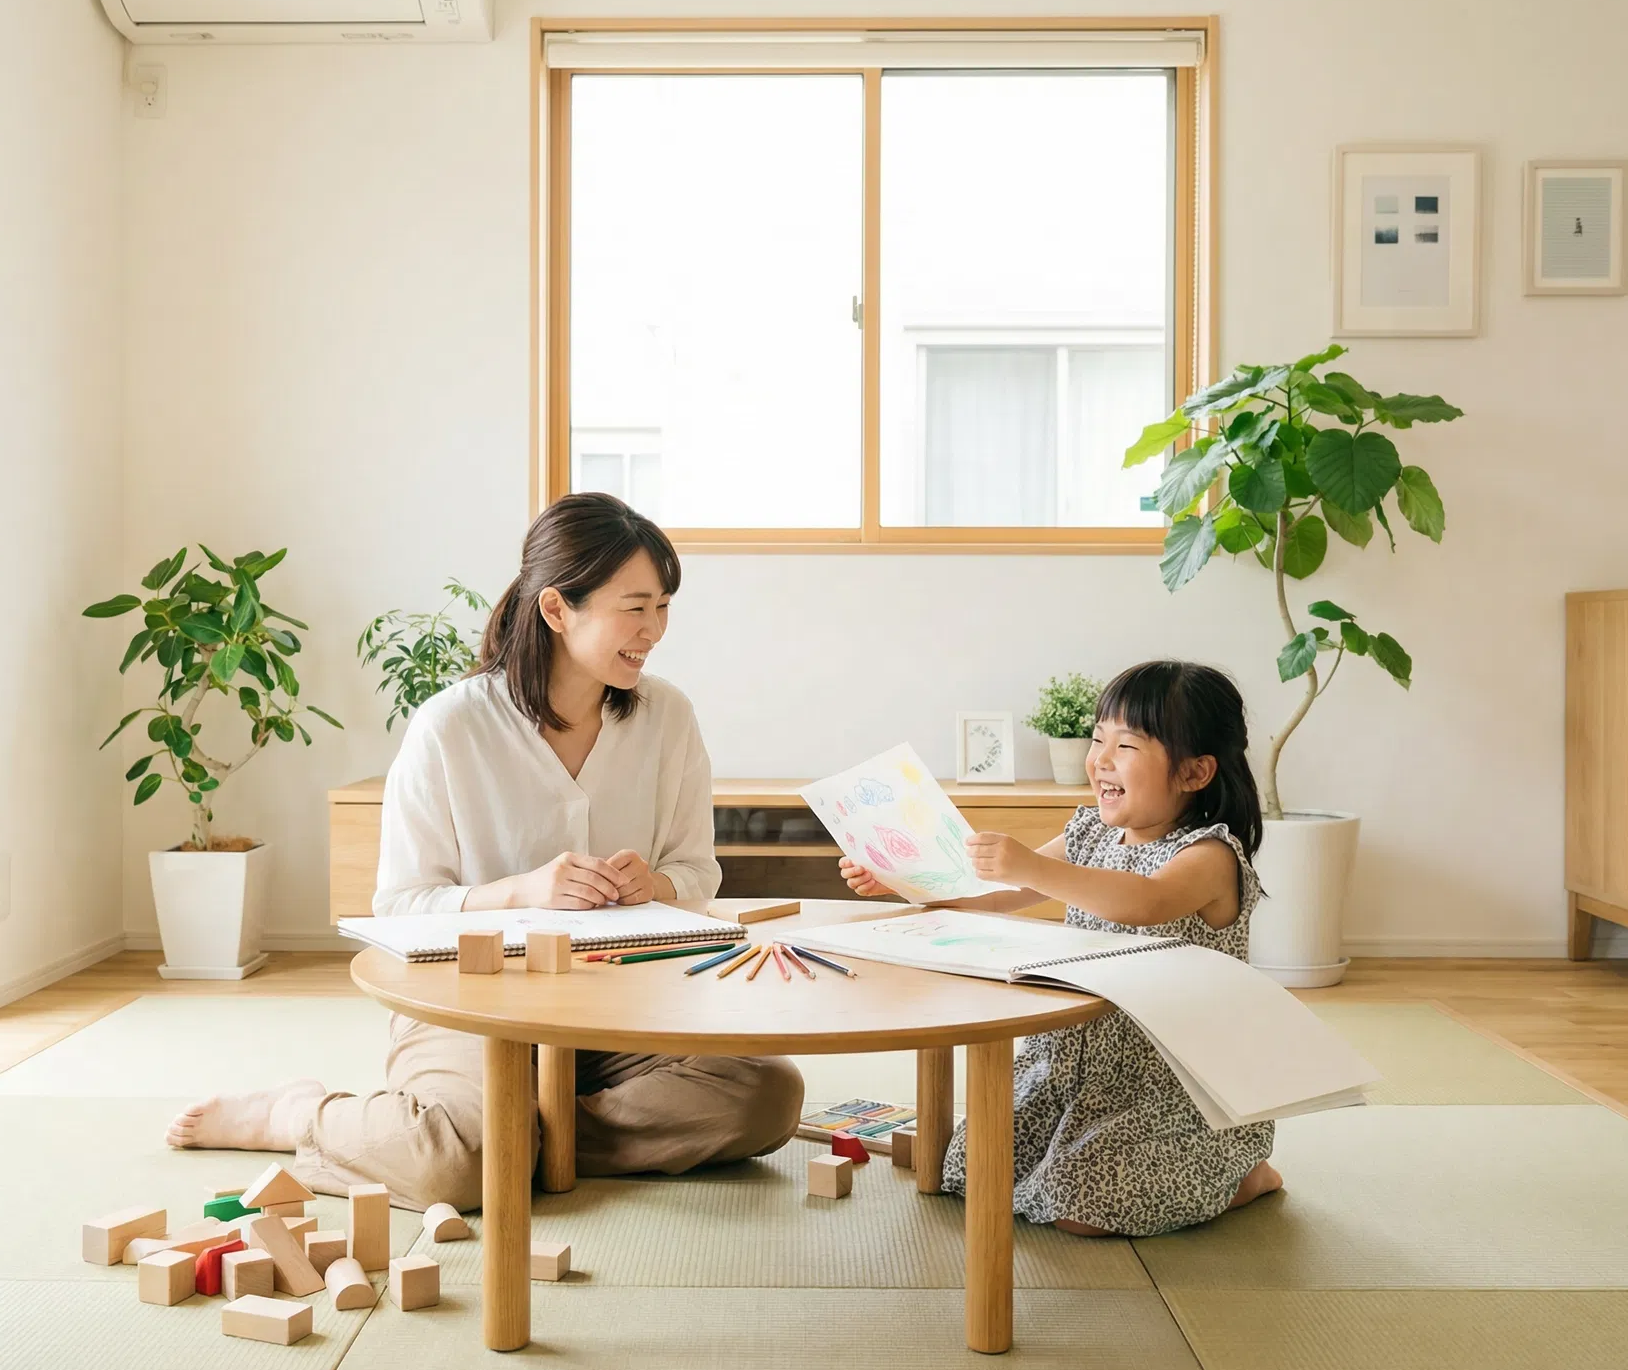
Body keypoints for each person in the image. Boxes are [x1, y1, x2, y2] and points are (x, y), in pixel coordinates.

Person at [165, 493, 803, 1209]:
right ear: (558, 610)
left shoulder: (668, 716)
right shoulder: (450, 727)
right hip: (473, 1006)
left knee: (767, 1095)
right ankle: (301, 1116)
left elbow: (697, 874)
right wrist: (521, 892)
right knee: (453, 1167)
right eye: (635, 607)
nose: (652, 630)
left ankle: (519, 1137)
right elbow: (400, 908)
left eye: (663, 607)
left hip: (625, 1003)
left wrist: (652, 884)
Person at [841, 659, 1282, 1237]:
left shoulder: (1210, 856)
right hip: (1069, 1068)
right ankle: (1074, 1158)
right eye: (1099, 739)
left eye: (1126, 745)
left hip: (1168, 1090)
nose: (1100, 759)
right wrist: (905, 880)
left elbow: (1143, 901)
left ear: (1195, 772)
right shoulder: (1089, 832)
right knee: (970, 1168)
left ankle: (1245, 1176)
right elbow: (995, 895)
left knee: (1084, 1211)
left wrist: (1032, 866)